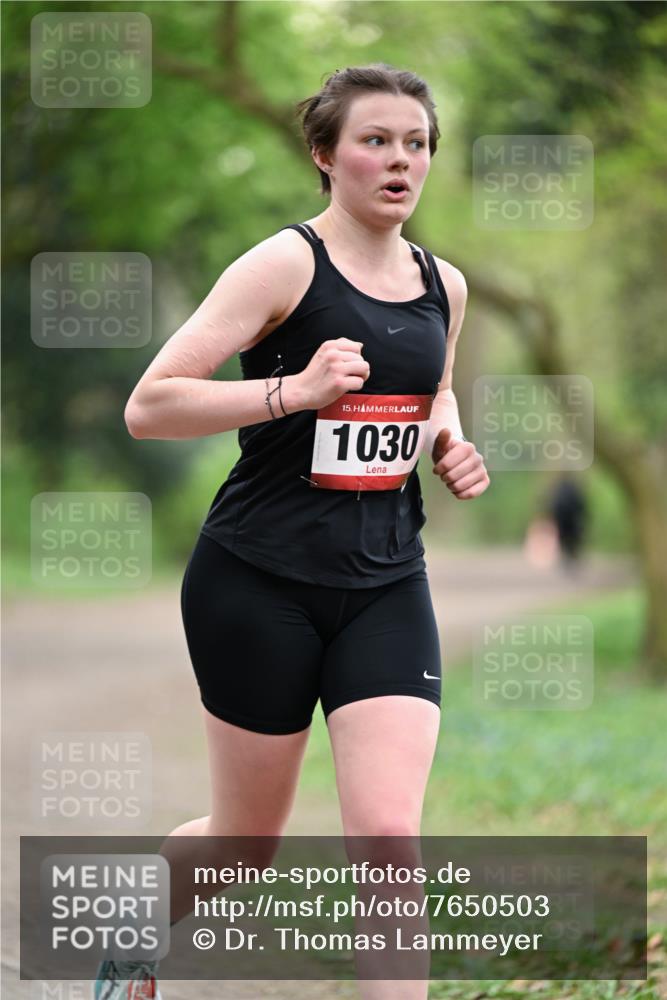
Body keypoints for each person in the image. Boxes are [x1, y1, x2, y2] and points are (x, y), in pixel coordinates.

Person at [98, 63, 490, 1000]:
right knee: (243, 848)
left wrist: (451, 440)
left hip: (388, 583)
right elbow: (150, 406)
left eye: (416, 143)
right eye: (375, 141)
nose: (400, 161)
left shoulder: (446, 285)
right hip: (256, 581)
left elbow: (429, 392)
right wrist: (295, 392)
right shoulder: (283, 264)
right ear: (325, 155)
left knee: (389, 837)